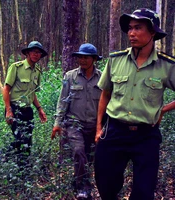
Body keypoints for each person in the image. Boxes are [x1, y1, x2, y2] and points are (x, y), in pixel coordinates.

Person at [94, 8, 175, 200]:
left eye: (138, 28)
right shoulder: (116, 60)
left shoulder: (166, 65)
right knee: (106, 183)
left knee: (144, 190)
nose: (131, 33)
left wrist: (162, 110)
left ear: (152, 32)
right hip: (114, 131)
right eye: (130, 28)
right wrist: (99, 127)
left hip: (146, 135)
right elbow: (105, 94)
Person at [51, 43, 102, 199]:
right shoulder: (70, 76)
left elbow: (108, 102)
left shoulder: (102, 78)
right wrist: (57, 123)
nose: (82, 60)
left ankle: (78, 181)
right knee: (79, 152)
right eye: (80, 57)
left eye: (86, 57)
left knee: (90, 156)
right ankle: (83, 188)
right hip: (74, 124)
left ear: (94, 59)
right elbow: (63, 101)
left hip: (94, 125)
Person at [2, 41, 48, 169]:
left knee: (28, 140)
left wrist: (39, 109)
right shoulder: (16, 67)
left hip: (28, 111)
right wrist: (8, 110)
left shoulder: (37, 72)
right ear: (27, 53)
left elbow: (32, 94)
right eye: (33, 51)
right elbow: (6, 89)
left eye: (38, 52)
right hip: (15, 109)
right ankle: (9, 162)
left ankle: (24, 168)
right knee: (20, 138)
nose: (36, 54)